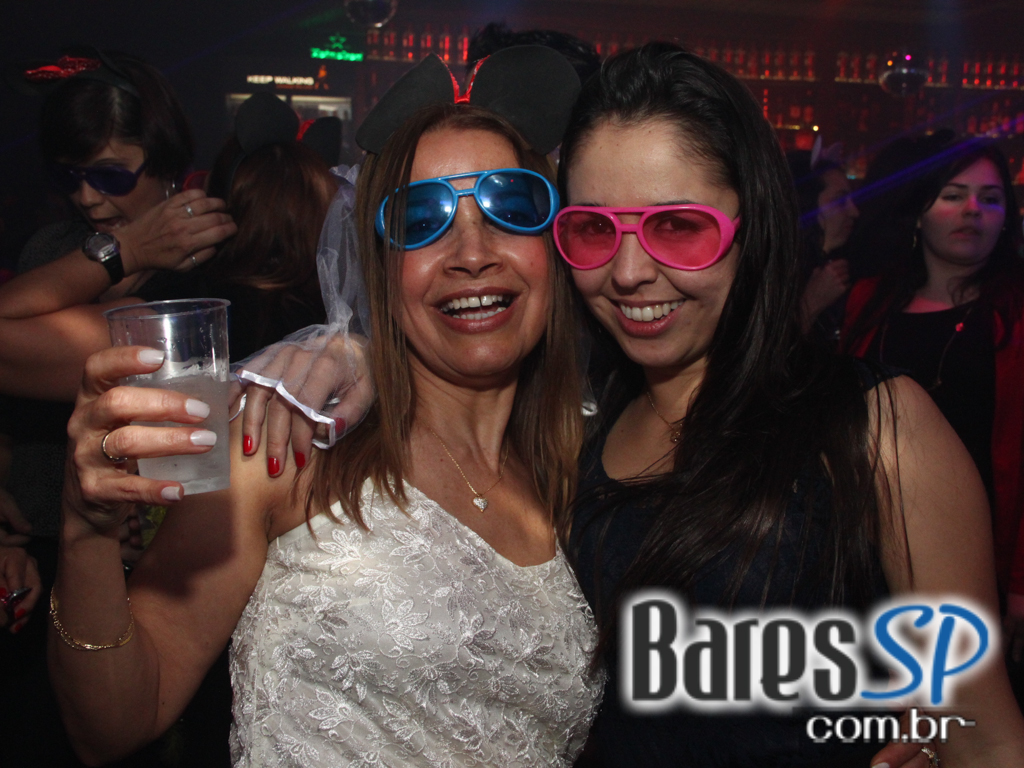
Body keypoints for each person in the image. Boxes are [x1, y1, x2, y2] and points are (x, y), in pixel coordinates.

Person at [49, 47, 603, 767]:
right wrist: (86, 532)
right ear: (380, 266)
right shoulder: (285, 441)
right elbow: (115, 725)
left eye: (513, 206)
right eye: (421, 218)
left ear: (555, 245)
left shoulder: (583, 472)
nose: (472, 252)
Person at [552, 43, 1024, 767]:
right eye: (594, 229)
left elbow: (984, 735)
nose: (629, 272)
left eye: (677, 226)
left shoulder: (874, 427)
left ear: (754, 226)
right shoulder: (586, 423)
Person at [841, 136, 1024, 701]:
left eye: (990, 198)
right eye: (953, 194)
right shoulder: (870, 299)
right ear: (920, 211)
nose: (973, 210)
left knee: (964, 706)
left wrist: (1020, 584)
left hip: (979, 556)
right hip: (869, 547)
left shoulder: (1014, 311)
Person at [786, 147, 859, 342]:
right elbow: (757, 354)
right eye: (840, 201)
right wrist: (811, 304)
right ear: (805, 203)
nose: (854, 212)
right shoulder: (768, 274)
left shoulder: (851, 268)